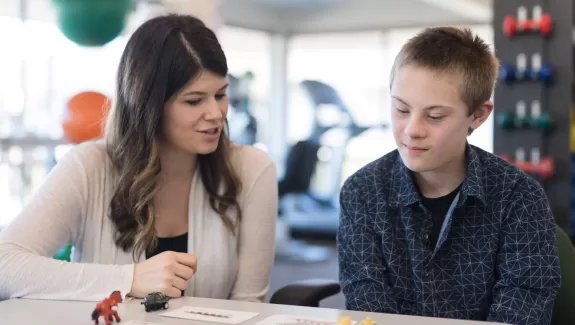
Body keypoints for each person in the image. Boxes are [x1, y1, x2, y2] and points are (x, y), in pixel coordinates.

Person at [0, 14, 278, 302]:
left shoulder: (252, 170)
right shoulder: (88, 167)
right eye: (194, 101)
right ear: (149, 105)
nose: (216, 113)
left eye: (220, 95)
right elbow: (5, 265)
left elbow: (248, 306)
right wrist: (128, 279)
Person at [337, 27, 560, 325]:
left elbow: (522, 308)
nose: (412, 129)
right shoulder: (362, 191)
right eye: (401, 109)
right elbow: (366, 299)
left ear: (478, 115)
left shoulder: (518, 197)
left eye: (435, 116)